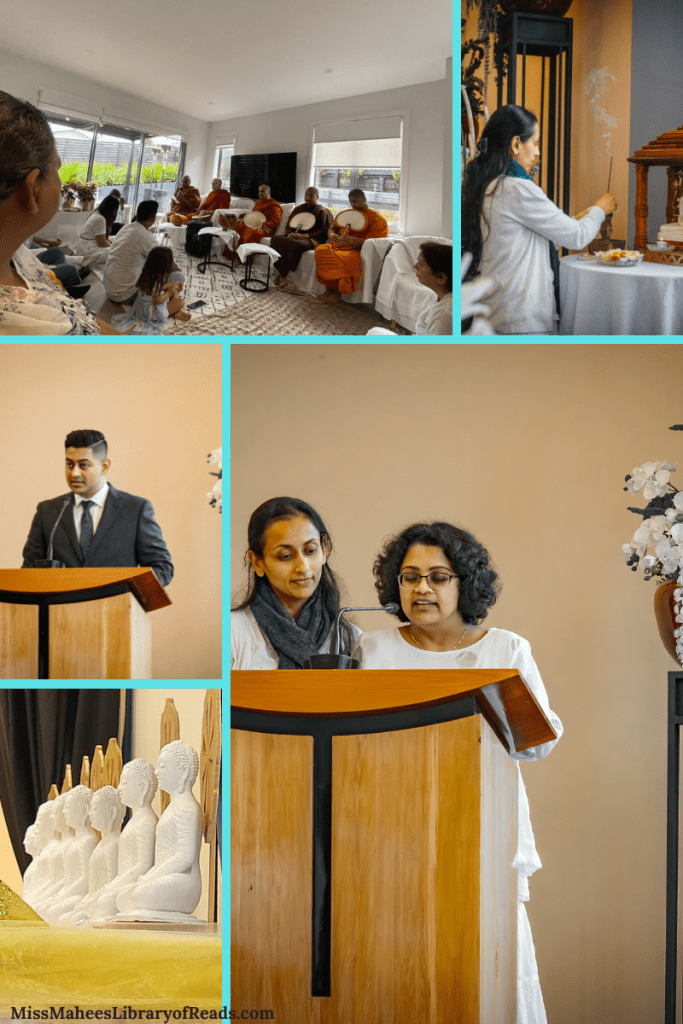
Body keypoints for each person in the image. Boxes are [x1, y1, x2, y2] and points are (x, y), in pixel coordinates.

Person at [354, 520, 563, 1024]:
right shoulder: (373, 651)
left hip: (481, 831)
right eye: (409, 577)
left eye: (438, 576)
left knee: (484, 965)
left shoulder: (505, 650)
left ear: (464, 582)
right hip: (394, 831)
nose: (421, 588)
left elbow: (540, 744)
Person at [462, 103, 617, 334]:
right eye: (535, 143)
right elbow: (576, 236)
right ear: (516, 144)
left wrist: (583, 214)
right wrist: (599, 209)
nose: (537, 153)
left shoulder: (490, 186)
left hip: (498, 312)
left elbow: (532, 241)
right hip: (522, 318)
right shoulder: (517, 188)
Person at [0, 90, 119, 334]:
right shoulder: (34, 326)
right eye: (57, 168)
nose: (60, 181)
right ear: (32, 190)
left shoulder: (14, 253)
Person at [21, 429, 174, 586]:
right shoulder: (47, 512)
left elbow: (162, 567)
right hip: (60, 609)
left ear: (105, 467)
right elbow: (28, 570)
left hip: (116, 608)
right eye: (69, 464)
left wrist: (129, 593)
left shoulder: (136, 509)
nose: (74, 473)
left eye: (84, 465)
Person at [231, 496, 358, 669]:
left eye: (310, 550)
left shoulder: (351, 638)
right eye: (285, 556)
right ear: (257, 562)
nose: (303, 567)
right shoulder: (231, 633)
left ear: (324, 548)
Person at [315, 188, 388, 303]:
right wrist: (332, 234)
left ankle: (337, 293)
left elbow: (374, 242)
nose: (353, 205)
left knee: (344, 258)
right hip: (340, 246)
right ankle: (329, 289)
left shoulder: (376, 218)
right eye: (351, 202)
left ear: (364, 200)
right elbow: (333, 228)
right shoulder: (348, 214)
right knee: (321, 250)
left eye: (356, 201)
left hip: (357, 250)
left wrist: (353, 240)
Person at [103, 200, 174, 306]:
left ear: (137, 213)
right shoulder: (145, 236)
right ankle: (167, 303)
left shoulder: (126, 227)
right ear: (153, 219)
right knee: (171, 275)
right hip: (124, 295)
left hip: (109, 289)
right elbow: (164, 263)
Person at [111, 245, 190, 334]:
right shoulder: (156, 281)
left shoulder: (148, 275)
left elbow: (155, 290)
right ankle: (175, 312)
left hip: (141, 307)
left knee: (172, 289)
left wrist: (171, 285)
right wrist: (168, 293)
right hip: (149, 313)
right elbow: (157, 300)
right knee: (180, 302)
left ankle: (176, 312)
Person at [270, 187, 332, 287]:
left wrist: (304, 236)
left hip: (311, 239)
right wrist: (290, 233)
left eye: (311, 195)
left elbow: (323, 231)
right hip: (294, 237)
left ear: (317, 197)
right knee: (275, 239)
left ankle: (282, 275)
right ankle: (282, 275)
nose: (308, 197)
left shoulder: (322, 211)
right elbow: (289, 225)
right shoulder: (299, 208)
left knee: (296, 245)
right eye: (306, 195)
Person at [219, 183, 282, 247]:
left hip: (265, 229)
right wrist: (243, 218)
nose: (260, 193)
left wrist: (262, 224)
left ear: (269, 192)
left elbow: (276, 222)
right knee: (238, 225)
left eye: (262, 191)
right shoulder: (258, 203)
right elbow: (253, 215)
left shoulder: (274, 205)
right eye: (259, 191)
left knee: (250, 231)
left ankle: (244, 255)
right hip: (253, 225)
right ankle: (233, 251)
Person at [72, 194, 120, 268]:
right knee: (115, 252)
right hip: (86, 250)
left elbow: (104, 238)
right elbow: (102, 242)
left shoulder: (98, 213)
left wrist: (115, 245)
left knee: (115, 238)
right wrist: (115, 248)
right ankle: (87, 261)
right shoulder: (100, 219)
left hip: (88, 245)